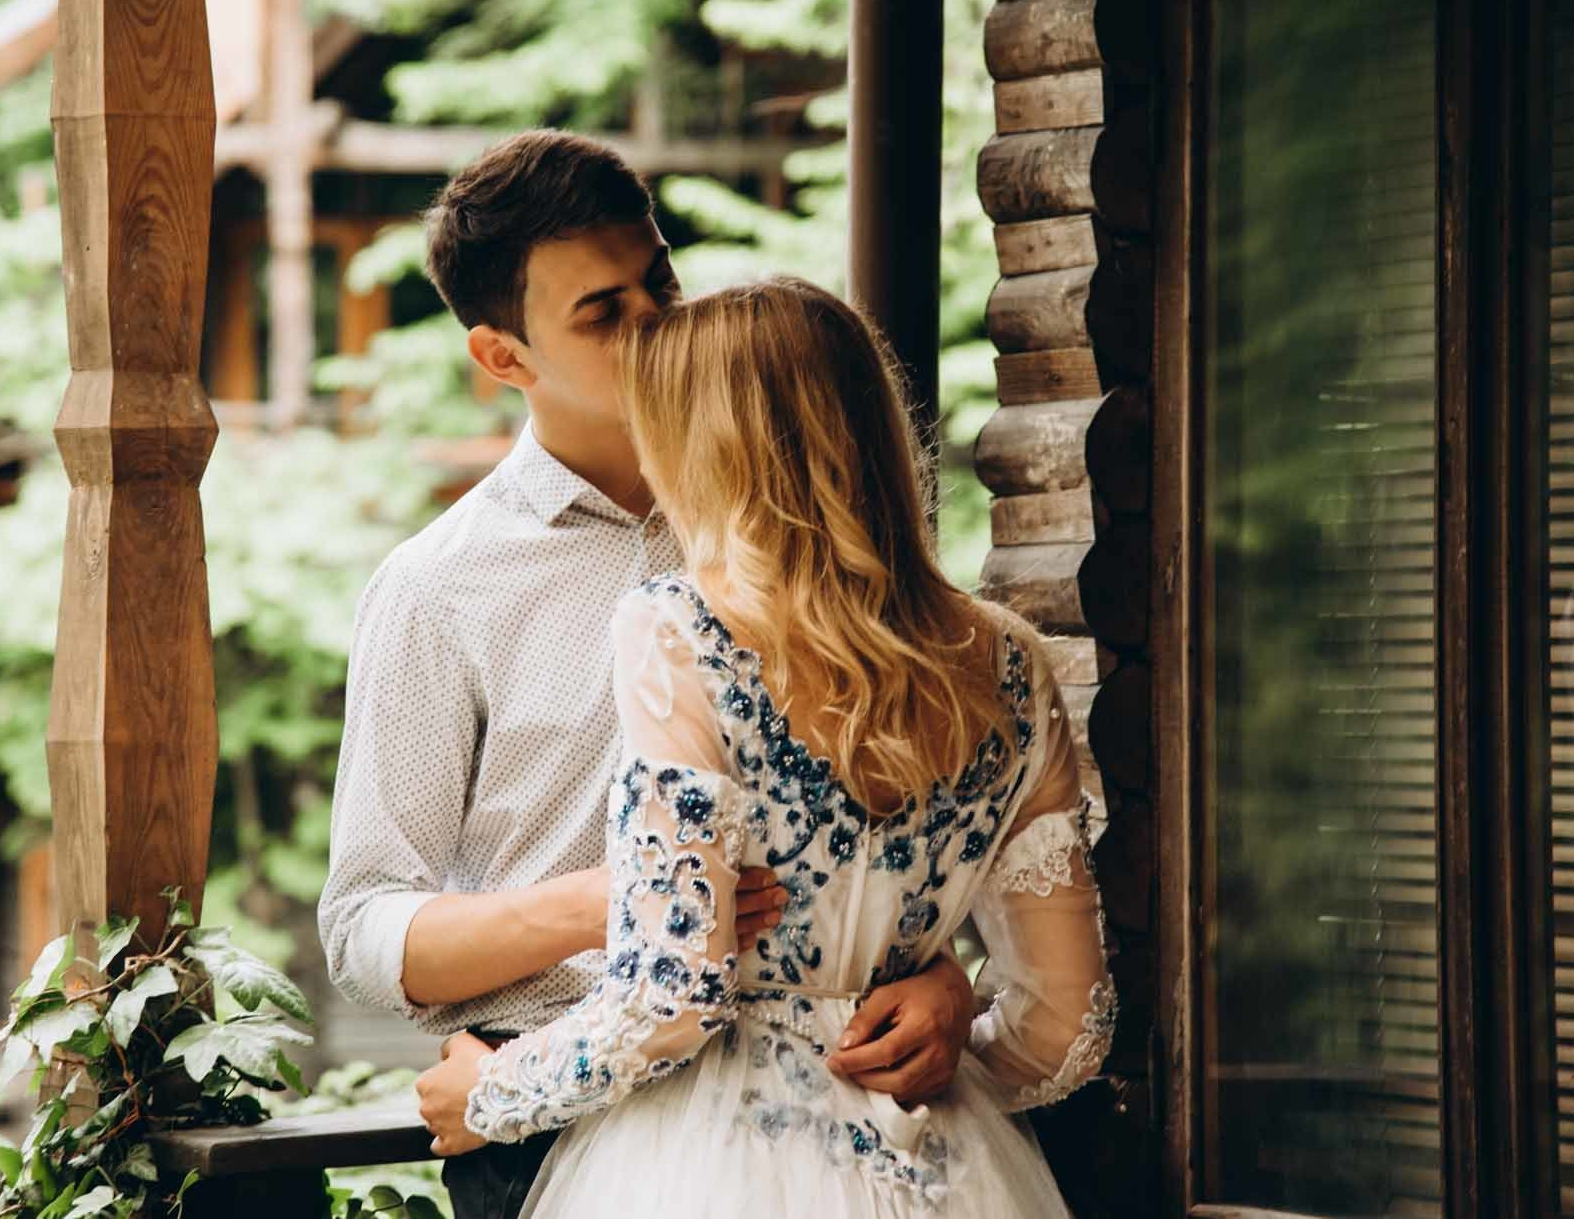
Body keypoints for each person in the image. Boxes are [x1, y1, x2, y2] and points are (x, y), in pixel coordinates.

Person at [318, 134, 982, 1219]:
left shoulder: (804, 529)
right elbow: (364, 933)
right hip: (544, 1124)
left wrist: (945, 977)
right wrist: (611, 904)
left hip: (825, 1126)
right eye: (602, 311)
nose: (656, 326)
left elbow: (912, 799)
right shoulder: (435, 589)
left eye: (657, 281)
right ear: (501, 357)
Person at [413, 277, 1114, 1217]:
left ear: (707, 445)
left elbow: (673, 996)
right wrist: (947, 1040)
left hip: (708, 1166)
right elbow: (1066, 1020)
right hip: (944, 1156)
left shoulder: (678, 631)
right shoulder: (1012, 665)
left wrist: (488, 1097)